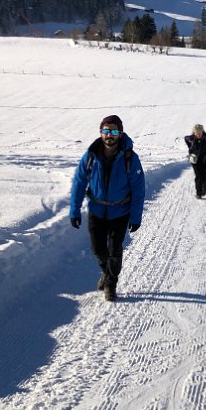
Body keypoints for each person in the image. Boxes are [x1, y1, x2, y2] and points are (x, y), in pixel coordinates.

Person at [69, 114, 146, 302]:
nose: (109, 135)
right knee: (98, 249)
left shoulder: (130, 158)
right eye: (105, 131)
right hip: (96, 211)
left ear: (120, 133)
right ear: (100, 132)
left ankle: (111, 283)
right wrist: (74, 210)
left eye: (113, 131)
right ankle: (107, 271)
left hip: (120, 212)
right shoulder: (91, 155)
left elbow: (138, 189)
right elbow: (79, 182)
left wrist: (135, 217)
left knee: (114, 250)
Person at [184, 123, 206, 198]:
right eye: (196, 133)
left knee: (205, 175)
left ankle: (204, 190)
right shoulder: (191, 138)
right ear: (194, 132)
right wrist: (189, 147)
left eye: (199, 133)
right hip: (195, 159)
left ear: (202, 132)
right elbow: (185, 138)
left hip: (205, 158)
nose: (198, 134)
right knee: (198, 176)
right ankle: (199, 193)